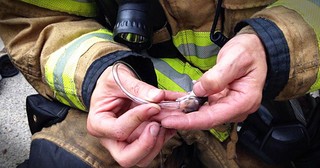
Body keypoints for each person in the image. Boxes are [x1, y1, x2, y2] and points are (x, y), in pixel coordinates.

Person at [0, 0, 319, 167]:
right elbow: (35, 19)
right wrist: (97, 70)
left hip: (271, 111)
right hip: (134, 110)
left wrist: (276, 45)